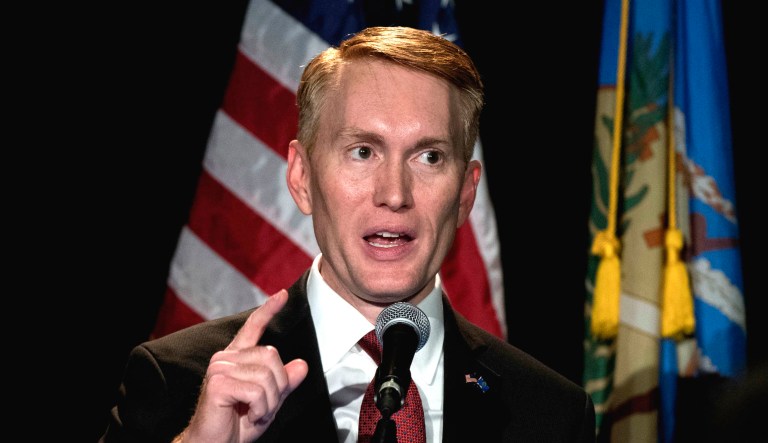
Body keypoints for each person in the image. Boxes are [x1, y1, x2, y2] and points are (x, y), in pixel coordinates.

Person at [104, 26, 596, 443]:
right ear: (302, 179)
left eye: (429, 157)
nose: (394, 194)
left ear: (465, 194)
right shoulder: (178, 382)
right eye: (363, 151)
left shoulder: (550, 413)